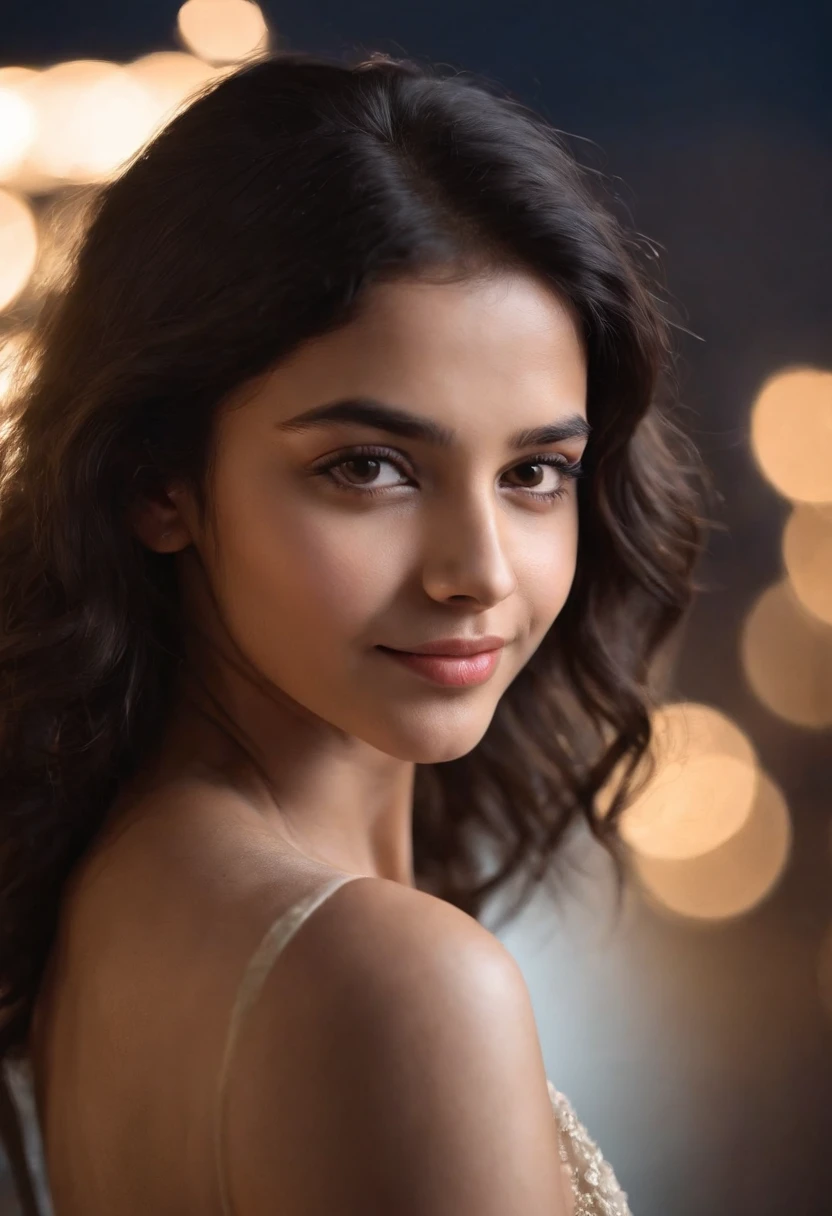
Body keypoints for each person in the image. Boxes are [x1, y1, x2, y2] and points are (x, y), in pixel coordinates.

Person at [0, 48, 707, 1215]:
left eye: (535, 471)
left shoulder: (117, 892)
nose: (476, 571)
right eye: (368, 467)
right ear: (155, 482)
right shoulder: (389, 980)